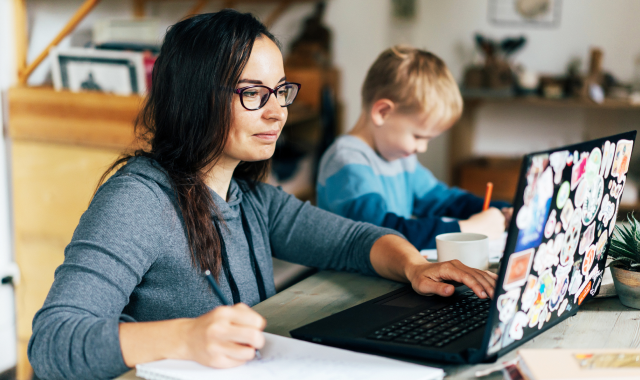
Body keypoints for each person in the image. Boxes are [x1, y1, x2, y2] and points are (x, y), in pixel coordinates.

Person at [28, 11, 498, 380]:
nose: (277, 113)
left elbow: (353, 240)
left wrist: (415, 266)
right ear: (196, 97)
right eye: (254, 93)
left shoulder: (250, 197)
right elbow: (52, 344)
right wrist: (186, 337)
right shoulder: (137, 201)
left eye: (280, 92)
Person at [317, 46, 513, 250]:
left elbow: (442, 200)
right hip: (345, 279)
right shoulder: (347, 161)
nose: (422, 148)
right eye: (418, 136)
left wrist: (499, 210)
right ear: (383, 112)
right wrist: (465, 229)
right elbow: (383, 233)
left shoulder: (400, 157)